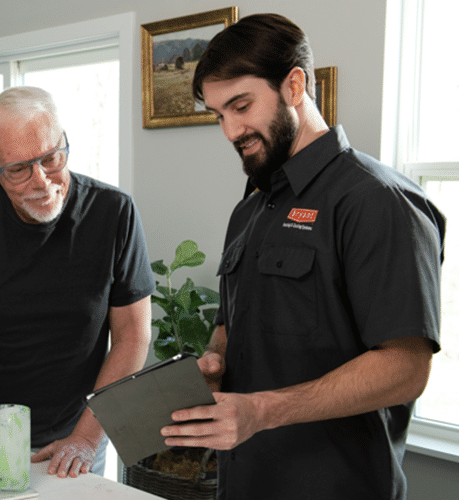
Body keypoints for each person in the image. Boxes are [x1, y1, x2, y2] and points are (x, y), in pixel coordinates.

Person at [161, 13, 445, 500]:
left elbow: (405, 367)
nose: (230, 130)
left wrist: (262, 411)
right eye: (218, 114)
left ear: (294, 85)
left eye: (241, 105)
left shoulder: (377, 201)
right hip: (244, 482)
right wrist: (215, 359)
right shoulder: (250, 208)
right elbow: (231, 325)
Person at [0, 86, 155, 496]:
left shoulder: (114, 213)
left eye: (51, 158)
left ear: (65, 143)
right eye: (19, 169)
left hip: (76, 437)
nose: (42, 181)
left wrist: (86, 438)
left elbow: (133, 334)